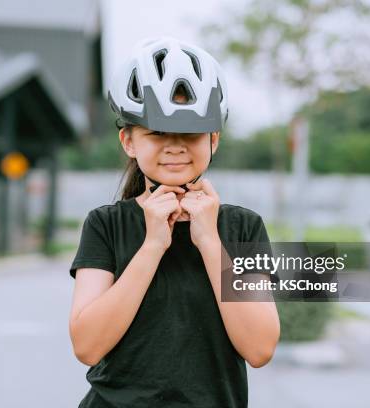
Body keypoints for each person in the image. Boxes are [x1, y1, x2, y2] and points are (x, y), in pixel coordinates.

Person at [68, 36, 280, 408]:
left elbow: (260, 348)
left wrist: (211, 242)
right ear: (129, 141)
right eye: (157, 132)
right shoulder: (105, 224)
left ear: (214, 138)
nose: (175, 146)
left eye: (191, 132)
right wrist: (152, 245)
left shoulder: (244, 228)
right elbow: (87, 346)